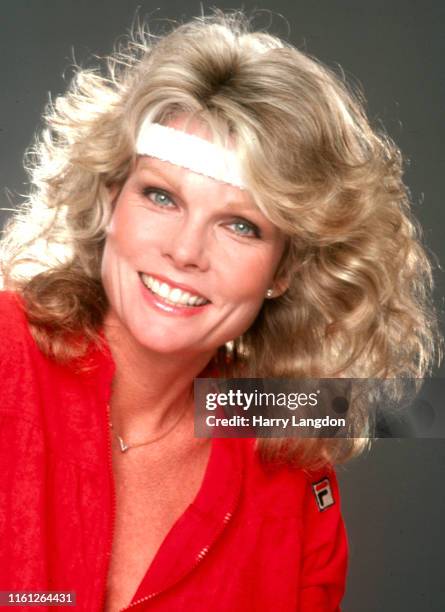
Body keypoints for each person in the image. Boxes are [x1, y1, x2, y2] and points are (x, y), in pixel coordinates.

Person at [0, 11, 439, 612]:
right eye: (161, 196)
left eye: (241, 226)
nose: (185, 252)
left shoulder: (288, 462)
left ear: (285, 270)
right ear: (109, 198)